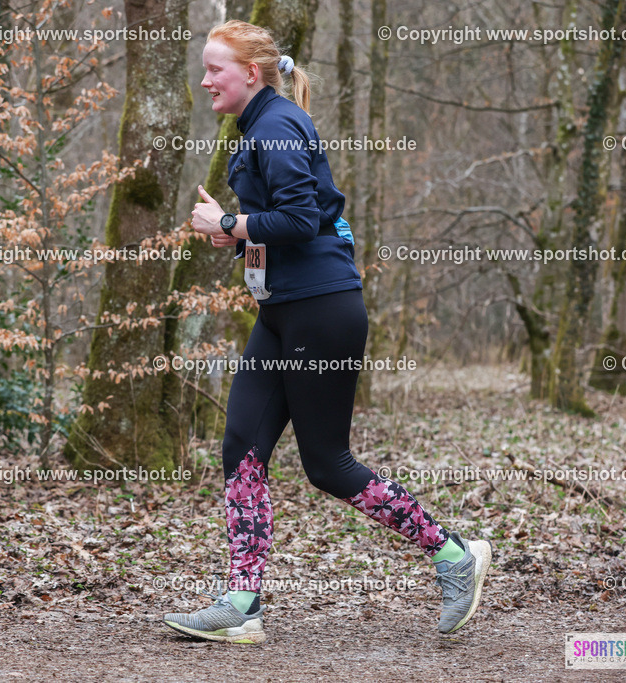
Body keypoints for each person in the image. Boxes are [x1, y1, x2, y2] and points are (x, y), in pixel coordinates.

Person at [162, 20, 493, 644]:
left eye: (215, 70)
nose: (204, 80)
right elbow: (276, 220)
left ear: (251, 74)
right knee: (242, 447)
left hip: (323, 308)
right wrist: (233, 230)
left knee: (327, 464)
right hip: (283, 309)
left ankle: (454, 556)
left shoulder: (279, 123)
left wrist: (229, 223)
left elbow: (300, 216)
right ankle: (241, 603)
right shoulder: (255, 125)